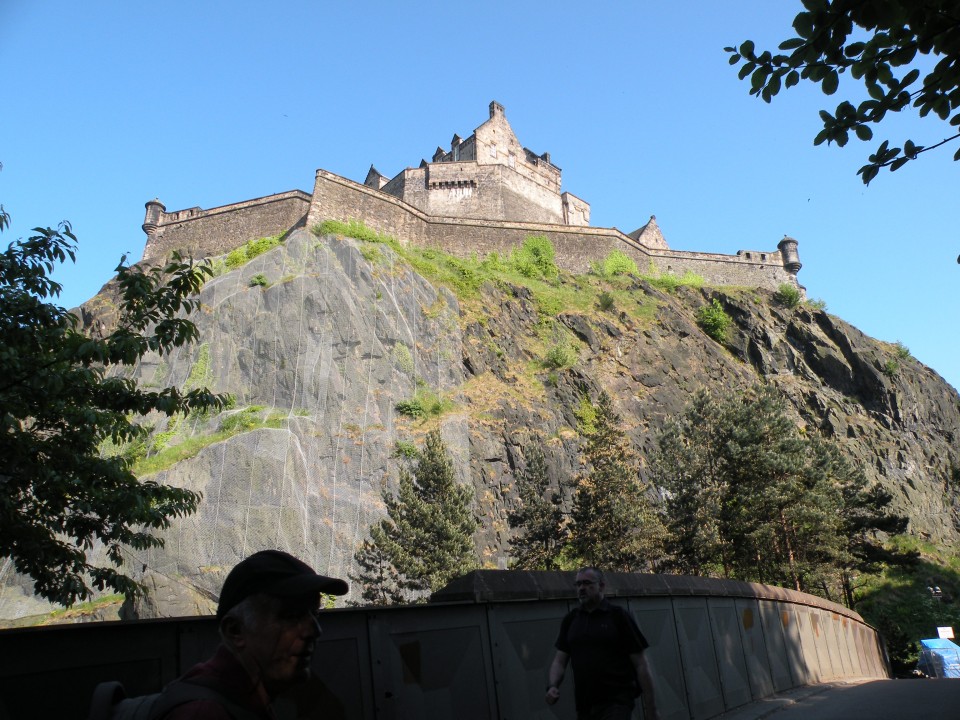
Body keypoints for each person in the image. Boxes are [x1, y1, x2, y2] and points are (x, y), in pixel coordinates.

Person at [158, 549, 349, 719]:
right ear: (235, 630)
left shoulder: (254, 696)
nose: (315, 630)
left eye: (314, 613)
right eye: (291, 615)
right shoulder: (203, 713)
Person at [545, 567, 660, 720]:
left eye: (587, 583)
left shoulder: (618, 617)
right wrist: (553, 686)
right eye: (578, 584)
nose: (581, 588)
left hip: (617, 701)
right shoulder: (571, 620)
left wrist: (651, 709)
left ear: (602, 586)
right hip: (585, 704)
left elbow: (641, 664)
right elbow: (559, 661)